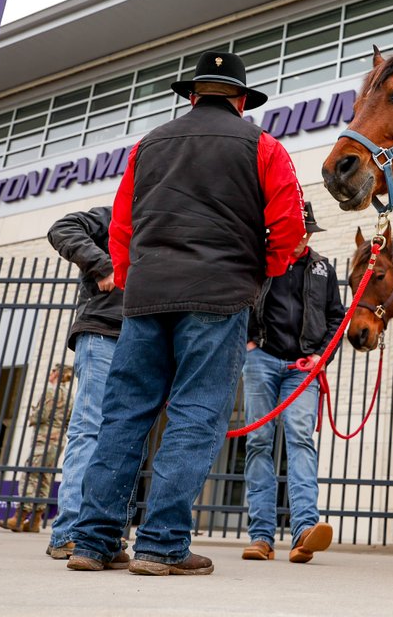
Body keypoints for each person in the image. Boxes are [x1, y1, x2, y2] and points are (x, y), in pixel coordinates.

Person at [66, 50, 305, 576]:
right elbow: (289, 228)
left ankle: (94, 542)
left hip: (147, 296)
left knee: (124, 415)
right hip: (219, 295)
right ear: (241, 101)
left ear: (193, 95)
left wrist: (132, 278)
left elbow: (121, 226)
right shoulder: (264, 146)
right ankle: (162, 545)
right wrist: (258, 270)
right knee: (196, 414)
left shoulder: (148, 144)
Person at [241, 201, 346, 564]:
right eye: (296, 232)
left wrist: (321, 357)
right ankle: (261, 536)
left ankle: (304, 531)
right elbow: (239, 300)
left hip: (303, 368)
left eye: (307, 233)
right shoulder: (262, 263)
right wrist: (248, 342)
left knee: (301, 439)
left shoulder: (322, 268)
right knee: (258, 441)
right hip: (262, 360)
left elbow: (337, 317)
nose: (302, 238)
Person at [44, 206, 127, 563]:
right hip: (104, 331)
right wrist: (102, 265)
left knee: (124, 438)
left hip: (143, 337)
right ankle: (70, 532)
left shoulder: (169, 216)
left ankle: (103, 535)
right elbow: (62, 227)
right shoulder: (116, 213)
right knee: (90, 429)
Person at [0, 362, 73, 533]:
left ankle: (19, 517)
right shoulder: (70, 396)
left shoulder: (50, 391)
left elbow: (40, 416)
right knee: (45, 476)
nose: (50, 373)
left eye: (53, 370)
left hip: (44, 438)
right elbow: (69, 421)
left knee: (31, 473)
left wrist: (32, 415)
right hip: (58, 440)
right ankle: (35, 521)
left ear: (57, 374)